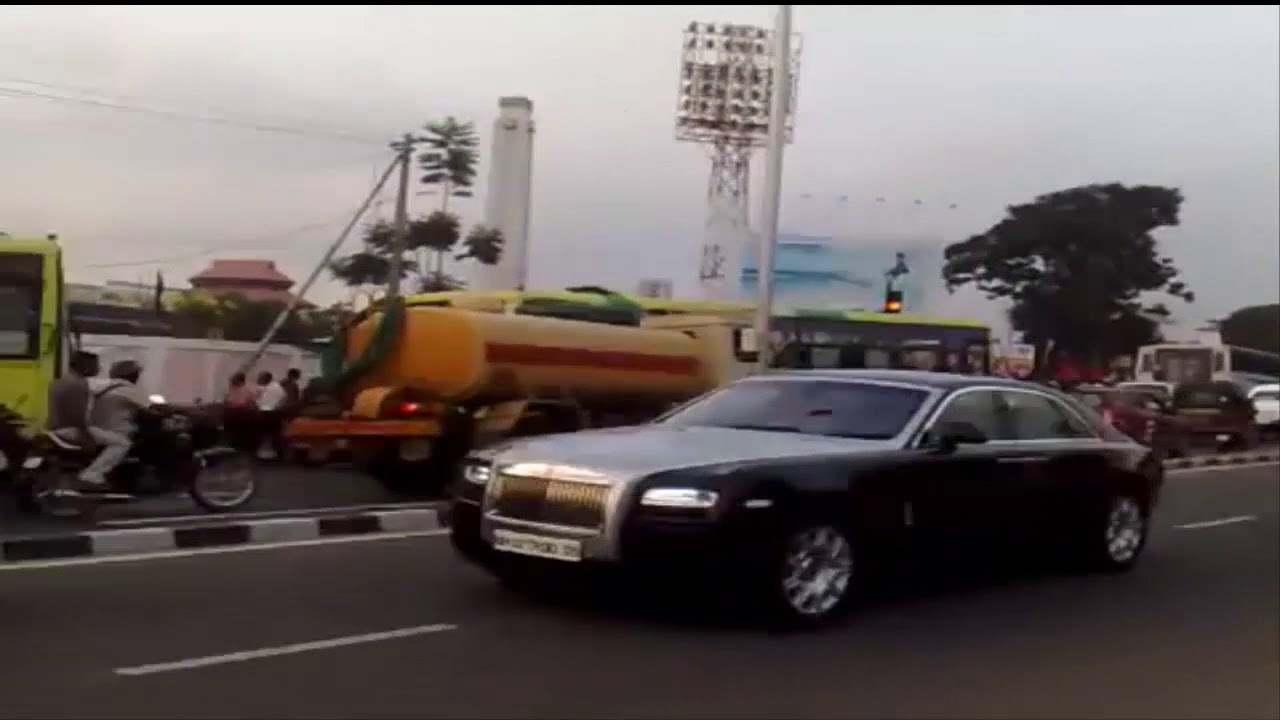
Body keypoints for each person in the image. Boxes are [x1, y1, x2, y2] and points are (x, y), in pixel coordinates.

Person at [82, 359, 151, 487]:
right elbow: (151, 408)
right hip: (109, 431)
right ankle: (93, 474)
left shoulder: (104, 386)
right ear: (130, 375)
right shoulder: (128, 389)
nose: (137, 377)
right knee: (123, 443)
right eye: (136, 374)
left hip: (94, 428)